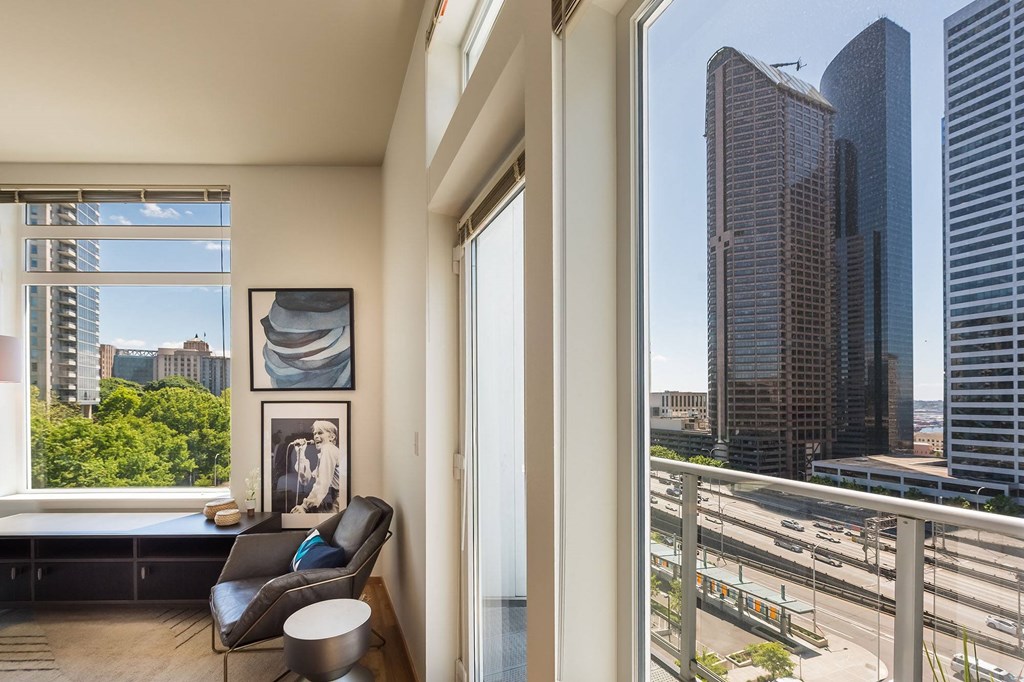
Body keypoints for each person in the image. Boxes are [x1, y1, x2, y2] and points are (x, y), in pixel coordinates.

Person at [290, 420, 343, 513]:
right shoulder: (326, 452)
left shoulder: (328, 449)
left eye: (320, 433)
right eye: (315, 434)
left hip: (338, 504)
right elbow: (305, 480)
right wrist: (301, 453)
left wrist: (305, 506)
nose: (316, 436)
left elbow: (322, 482)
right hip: (331, 502)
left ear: (332, 437)